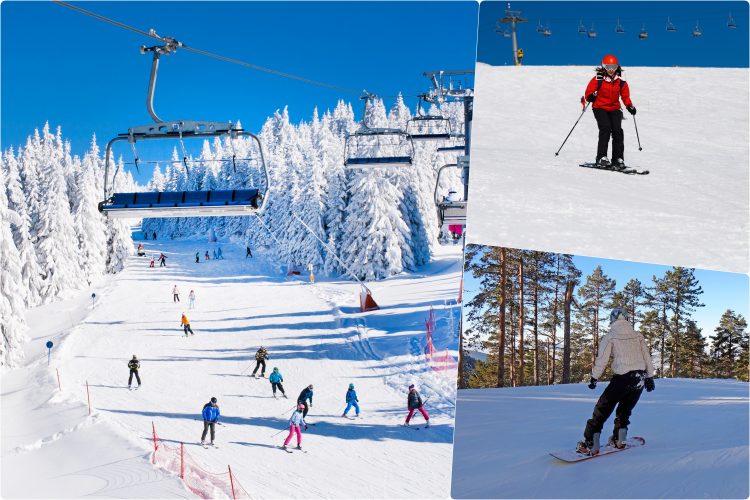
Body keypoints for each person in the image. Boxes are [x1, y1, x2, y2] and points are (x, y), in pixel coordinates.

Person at [576, 307, 655, 456]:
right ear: (626, 319)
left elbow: (602, 359)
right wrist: (649, 377)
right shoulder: (638, 335)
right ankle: (620, 440)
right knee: (625, 411)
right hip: (639, 378)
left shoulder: (611, 336)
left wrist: (594, 377)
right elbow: (647, 357)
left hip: (622, 378)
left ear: (612, 319)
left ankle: (590, 444)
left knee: (602, 409)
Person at [582, 54, 636, 169]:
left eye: (614, 66)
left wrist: (629, 106)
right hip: (599, 107)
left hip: (614, 108)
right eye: (608, 67)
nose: (611, 70)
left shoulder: (621, 81)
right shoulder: (599, 77)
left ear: (617, 67)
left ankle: (617, 158)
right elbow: (589, 91)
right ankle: (601, 157)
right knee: (605, 128)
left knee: (618, 131)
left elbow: (625, 96)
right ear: (603, 67)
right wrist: (590, 96)